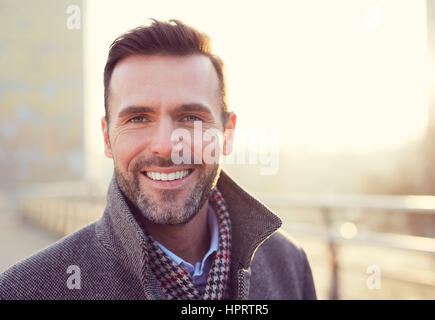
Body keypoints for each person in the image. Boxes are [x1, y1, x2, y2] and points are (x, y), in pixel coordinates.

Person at [0, 19, 316, 300]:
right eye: (138, 119)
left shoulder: (289, 265)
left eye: (190, 116)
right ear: (107, 137)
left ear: (228, 134)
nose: (166, 146)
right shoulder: (25, 290)